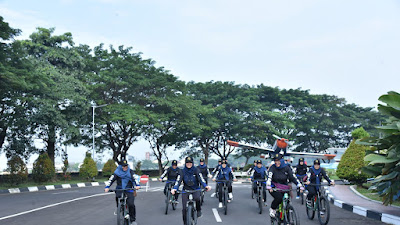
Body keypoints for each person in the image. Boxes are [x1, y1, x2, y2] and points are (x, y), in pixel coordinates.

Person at [171, 157, 211, 224]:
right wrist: (175, 188)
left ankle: (198, 210)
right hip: (186, 190)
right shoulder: (182, 171)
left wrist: (206, 186)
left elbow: (201, 179)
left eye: (190, 163)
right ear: (185, 163)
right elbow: (178, 180)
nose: (189, 164)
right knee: (184, 209)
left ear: (192, 163)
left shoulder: (196, 170)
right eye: (187, 163)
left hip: (196, 189)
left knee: (198, 198)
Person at [105, 160, 141, 225]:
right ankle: (119, 208)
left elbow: (135, 178)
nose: (125, 168)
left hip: (129, 189)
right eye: (123, 166)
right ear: (120, 166)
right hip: (120, 189)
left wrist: (137, 185)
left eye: (126, 166)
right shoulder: (117, 172)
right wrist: (107, 187)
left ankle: (133, 220)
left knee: (131, 204)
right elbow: (111, 179)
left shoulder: (130, 171)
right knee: (117, 197)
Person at [266, 154, 302, 218]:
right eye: (275, 161)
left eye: (278, 161)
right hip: (274, 187)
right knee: (279, 198)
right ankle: (273, 209)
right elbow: (269, 177)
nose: (277, 163)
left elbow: (293, 177)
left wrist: (299, 185)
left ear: (282, 160)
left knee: (287, 201)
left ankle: (287, 218)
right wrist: (269, 185)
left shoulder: (287, 168)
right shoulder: (273, 167)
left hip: (284, 187)